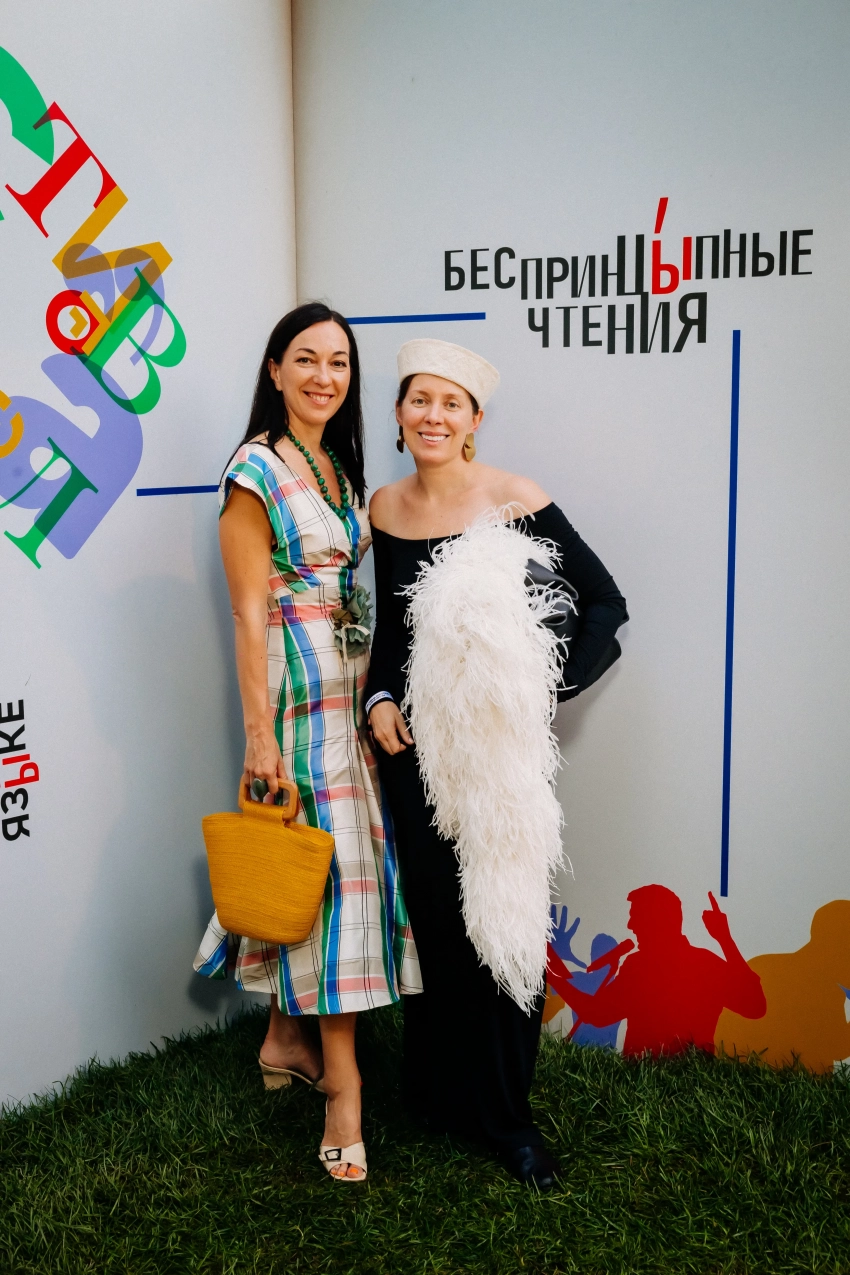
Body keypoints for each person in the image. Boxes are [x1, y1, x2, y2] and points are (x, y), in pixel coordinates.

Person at [365, 338, 627, 1188]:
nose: (434, 416)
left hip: (497, 759)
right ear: (399, 413)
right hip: (414, 756)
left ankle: (511, 1121)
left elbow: (605, 602)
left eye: (452, 403)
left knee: (502, 923)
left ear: (474, 418)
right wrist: (379, 698)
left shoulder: (517, 498)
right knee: (437, 923)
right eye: (420, 400)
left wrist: (540, 687)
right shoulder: (385, 507)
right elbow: (392, 633)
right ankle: (440, 1094)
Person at [194, 302, 421, 1182]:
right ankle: (343, 1089)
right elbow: (247, 613)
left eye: (339, 362)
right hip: (297, 702)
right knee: (337, 879)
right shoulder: (254, 468)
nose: (325, 376)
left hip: (348, 690)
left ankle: (285, 1038)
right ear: (275, 370)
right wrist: (260, 738)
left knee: (330, 864)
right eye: (306, 359)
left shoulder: (335, 463)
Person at [548, 885, 766, 1057]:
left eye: (636, 917)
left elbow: (597, 1013)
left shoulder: (639, 966)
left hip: (638, 1084)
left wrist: (553, 973)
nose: (630, 926)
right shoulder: (706, 962)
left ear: (656, 921)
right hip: (690, 1083)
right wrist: (725, 939)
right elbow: (755, 1005)